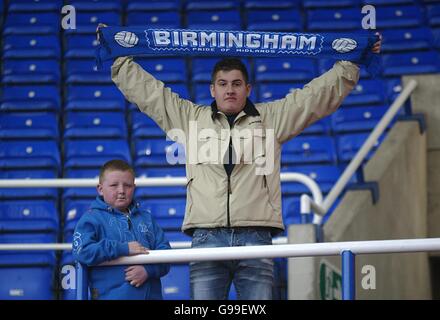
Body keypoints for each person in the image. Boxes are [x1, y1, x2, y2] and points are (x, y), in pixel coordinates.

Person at [104, 23, 382, 299]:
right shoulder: (189, 119)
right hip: (206, 237)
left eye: (236, 84)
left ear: (248, 88)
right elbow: (150, 94)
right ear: (212, 89)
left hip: (257, 237)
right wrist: (117, 54)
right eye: (223, 84)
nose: (230, 90)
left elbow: (314, 99)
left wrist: (351, 61)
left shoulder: (271, 118)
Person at [72, 159, 171, 300]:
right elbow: (81, 251)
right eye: (113, 185)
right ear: (100, 189)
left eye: (128, 185)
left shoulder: (147, 219)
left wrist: (148, 270)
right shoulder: (91, 219)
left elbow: (166, 254)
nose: (121, 191)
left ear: (134, 187)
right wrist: (123, 248)